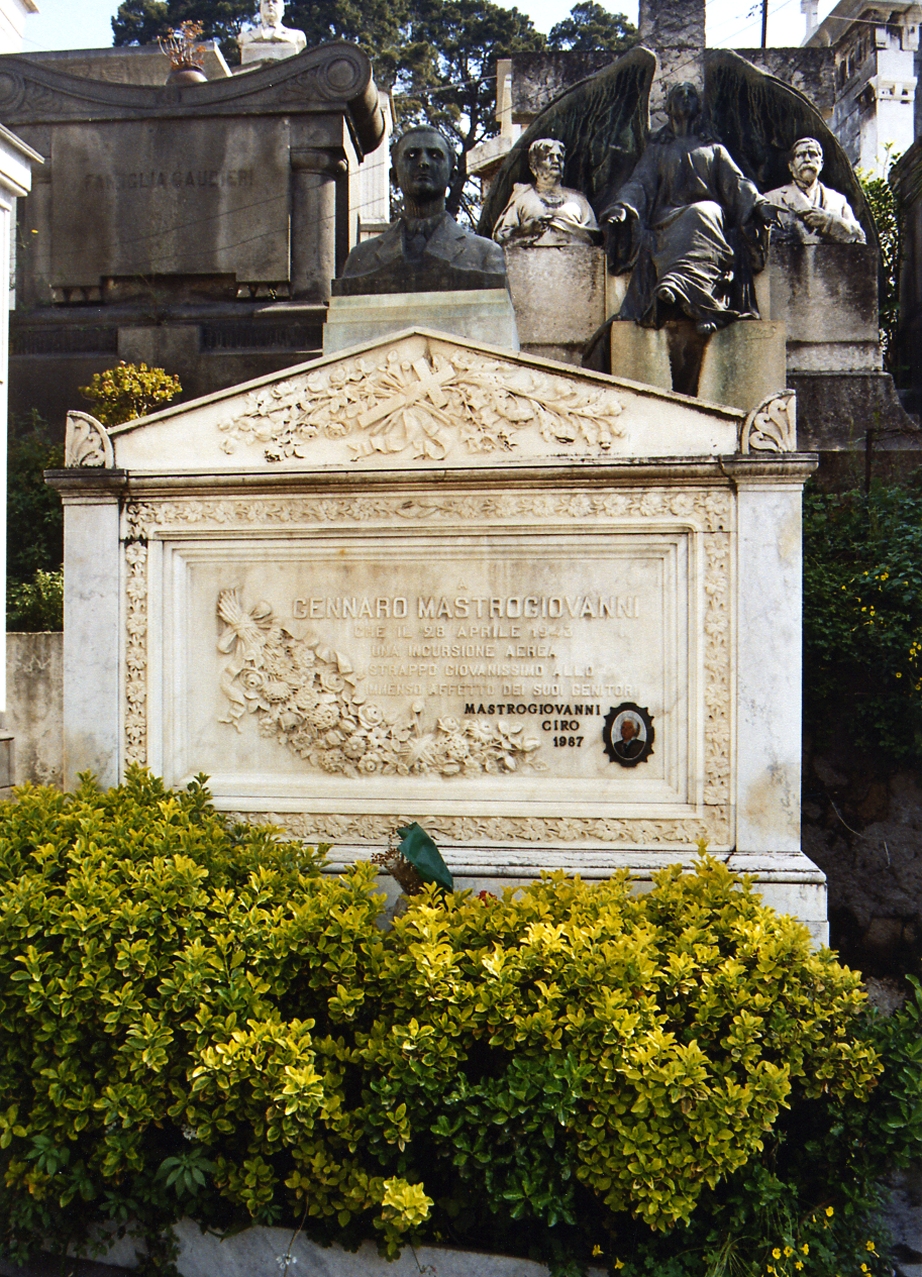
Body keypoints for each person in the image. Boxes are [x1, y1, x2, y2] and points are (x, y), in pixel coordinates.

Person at [600, 82, 777, 336]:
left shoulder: (714, 149)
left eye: (691, 95)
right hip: (667, 217)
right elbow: (639, 183)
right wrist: (623, 206)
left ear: (699, 107)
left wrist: (759, 205)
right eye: (679, 94)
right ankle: (699, 305)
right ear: (668, 106)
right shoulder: (657, 149)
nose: (685, 98)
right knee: (692, 218)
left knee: (701, 212)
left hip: (709, 214)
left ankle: (678, 289)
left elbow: (737, 183)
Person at [333, 126, 508, 295]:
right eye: (411, 155)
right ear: (394, 176)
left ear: (452, 176)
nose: (423, 163)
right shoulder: (361, 260)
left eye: (435, 155)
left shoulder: (485, 256)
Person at [493, 138, 599, 247]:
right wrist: (524, 230)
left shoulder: (578, 200)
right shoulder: (523, 198)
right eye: (549, 157)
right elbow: (502, 237)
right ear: (534, 166)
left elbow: (593, 237)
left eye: (559, 157)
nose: (556, 161)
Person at [763, 138, 866, 245]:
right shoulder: (772, 199)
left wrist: (828, 222)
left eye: (813, 154)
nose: (807, 159)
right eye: (800, 155)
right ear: (791, 166)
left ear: (821, 164)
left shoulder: (838, 200)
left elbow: (859, 237)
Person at [238, 0, 307, 65]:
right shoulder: (244, 37)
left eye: (275, 1)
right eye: (266, 2)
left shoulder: (297, 36)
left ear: (282, 11)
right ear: (260, 9)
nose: (270, 4)